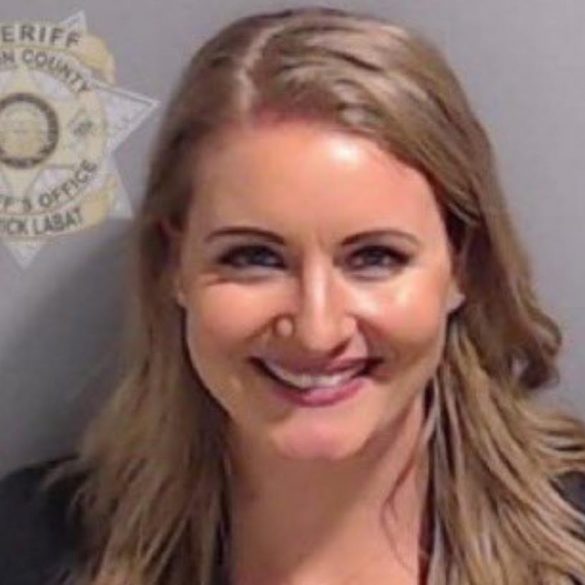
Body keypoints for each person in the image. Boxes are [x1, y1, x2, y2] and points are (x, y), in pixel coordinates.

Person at [2, 6, 585, 585]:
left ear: (463, 266)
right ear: (172, 265)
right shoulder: (28, 547)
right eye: (254, 258)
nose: (317, 330)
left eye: (375, 258)